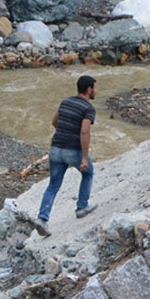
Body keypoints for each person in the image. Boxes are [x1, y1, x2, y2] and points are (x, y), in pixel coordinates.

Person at [35, 75, 98, 236]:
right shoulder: (88, 108)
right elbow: (85, 131)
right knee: (88, 172)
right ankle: (82, 207)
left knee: (53, 185)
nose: (96, 91)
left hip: (56, 148)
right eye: (95, 88)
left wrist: (64, 132)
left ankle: (42, 219)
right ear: (89, 89)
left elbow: (55, 121)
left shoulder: (66, 101)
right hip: (73, 150)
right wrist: (84, 157)